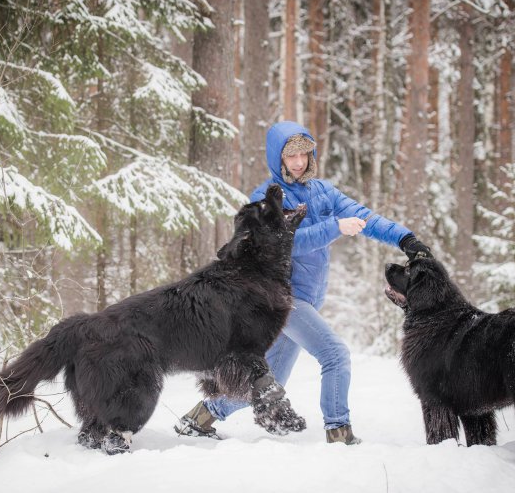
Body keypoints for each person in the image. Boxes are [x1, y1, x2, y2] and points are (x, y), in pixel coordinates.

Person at [174, 120, 432, 444]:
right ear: (277, 158)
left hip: (306, 300)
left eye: (304, 154)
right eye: (290, 156)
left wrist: (406, 239)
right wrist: (336, 227)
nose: (298, 162)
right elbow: (284, 242)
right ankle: (339, 432)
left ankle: (200, 416)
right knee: (336, 355)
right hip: (280, 298)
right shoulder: (267, 199)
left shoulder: (323, 192)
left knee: (273, 380)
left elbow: (367, 217)